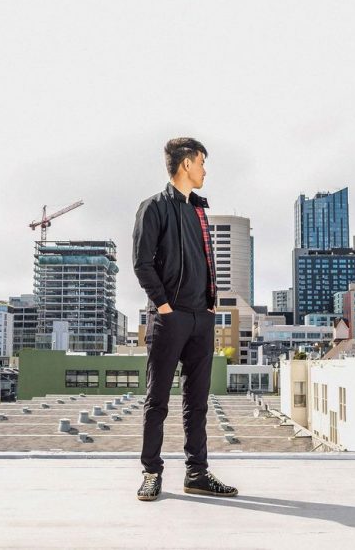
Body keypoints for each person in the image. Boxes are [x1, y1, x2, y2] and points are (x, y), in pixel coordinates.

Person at [132, 137, 238, 501]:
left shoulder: (198, 211)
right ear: (186, 164)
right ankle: (151, 472)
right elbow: (142, 263)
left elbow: (206, 261)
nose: (205, 170)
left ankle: (197, 473)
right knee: (157, 400)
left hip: (201, 319)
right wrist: (164, 306)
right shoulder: (153, 207)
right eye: (202, 162)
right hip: (169, 318)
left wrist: (210, 305)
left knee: (198, 402)